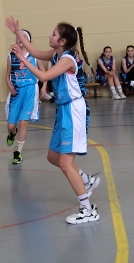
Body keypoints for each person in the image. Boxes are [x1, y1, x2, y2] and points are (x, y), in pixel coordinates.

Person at [6, 17, 102, 225]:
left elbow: (44, 75)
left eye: (54, 34)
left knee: (66, 163)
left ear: (62, 41)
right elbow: (35, 51)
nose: (50, 36)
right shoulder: (57, 54)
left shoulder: (67, 59)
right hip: (63, 110)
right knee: (53, 157)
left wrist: (22, 58)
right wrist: (17, 33)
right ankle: (86, 180)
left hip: (74, 110)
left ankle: (87, 209)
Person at [5, 28, 40, 165]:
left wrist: (44, 87)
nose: (20, 38)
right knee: (10, 126)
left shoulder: (35, 56)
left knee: (23, 123)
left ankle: (18, 152)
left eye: (23, 36)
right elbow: (7, 76)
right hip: (17, 92)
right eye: (18, 36)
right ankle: (12, 133)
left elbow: (43, 74)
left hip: (30, 91)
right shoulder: (11, 56)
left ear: (28, 41)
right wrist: (10, 87)